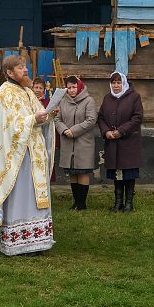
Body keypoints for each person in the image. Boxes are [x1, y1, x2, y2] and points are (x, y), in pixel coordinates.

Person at [0, 55, 55, 256]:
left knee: (35, 196)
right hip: (17, 156)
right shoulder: (5, 93)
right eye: (20, 67)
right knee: (21, 196)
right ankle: (19, 241)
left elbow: (39, 115)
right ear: (9, 72)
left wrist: (49, 114)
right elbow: (9, 126)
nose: (25, 70)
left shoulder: (27, 91)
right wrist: (33, 119)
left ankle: (38, 240)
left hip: (34, 153)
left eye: (25, 66)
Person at [97, 71, 143, 213]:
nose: (116, 85)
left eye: (119, 83)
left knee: (128, 173)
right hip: (112, 142)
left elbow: (137, 117)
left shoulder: (134, 97)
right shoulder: (107, 98)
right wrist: (106, 132)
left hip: (128, 142)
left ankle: (129, 203)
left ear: (124, 83)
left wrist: (121, 131)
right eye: (113, 83)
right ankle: (118, 203)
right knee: (117, 173)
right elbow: (101, 118)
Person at [55, 76, 97, 210]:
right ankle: (75, 202)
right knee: (72, 172)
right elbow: (57, 119)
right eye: (69, 87)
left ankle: (82, 203)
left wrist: (73, 131)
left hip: (83, 142)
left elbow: (91, 120)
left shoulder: (89, 101)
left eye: (74, 87)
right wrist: (64, 130)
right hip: (67, 142)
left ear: (79, 87)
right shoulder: (63, 101)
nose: (72, 90)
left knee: (82, 172)